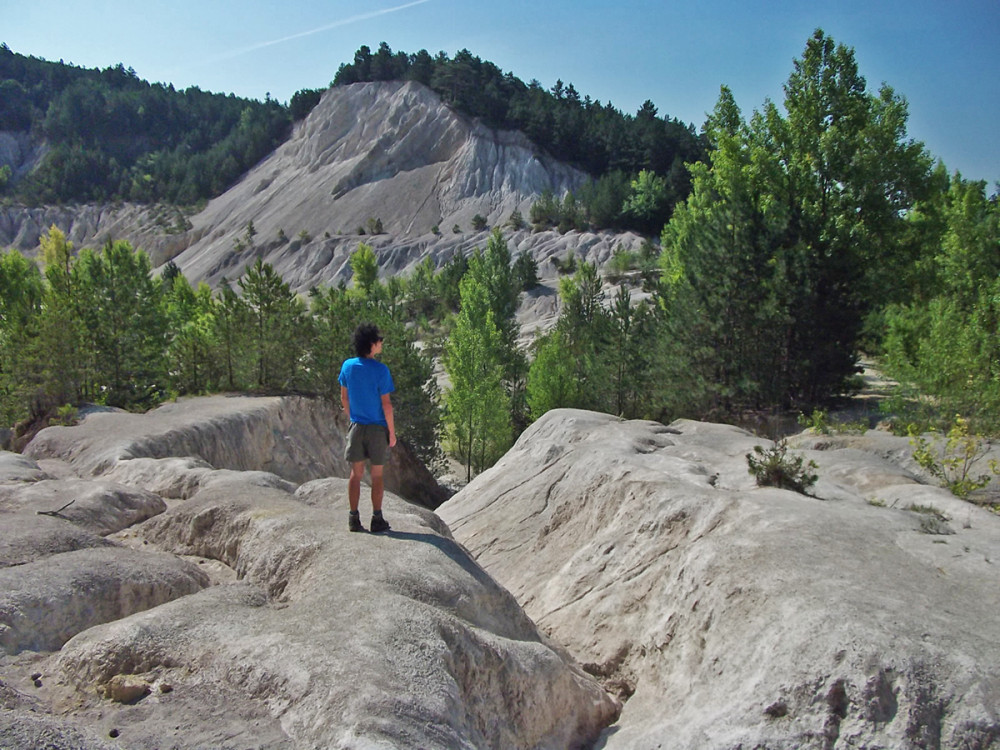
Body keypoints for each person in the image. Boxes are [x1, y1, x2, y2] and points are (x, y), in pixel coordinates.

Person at [339, 323, 396, 533]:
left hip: (357, 426)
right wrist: (392, 432)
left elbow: (344, 397)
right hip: (377, 429)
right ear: (372, 345)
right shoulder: (381, 370)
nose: (381, 343)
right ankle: (377, 518)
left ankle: (353, 518)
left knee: (356, 473)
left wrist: (353, 417)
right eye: (379, 340)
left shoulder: (348, 366)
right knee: (377, 475)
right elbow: (386, 405)